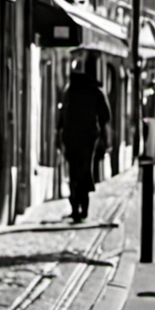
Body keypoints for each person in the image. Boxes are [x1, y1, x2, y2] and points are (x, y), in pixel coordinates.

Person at [57, 55, 111, 222]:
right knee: (85, 171)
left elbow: (61, 117)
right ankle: (83, 208)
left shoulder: (69, 91)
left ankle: (75, 208)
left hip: (71, 137)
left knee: (74, 172)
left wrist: (59, 135)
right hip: (88, 138)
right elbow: (105, 116)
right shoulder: (95, 92)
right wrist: (103, 135)